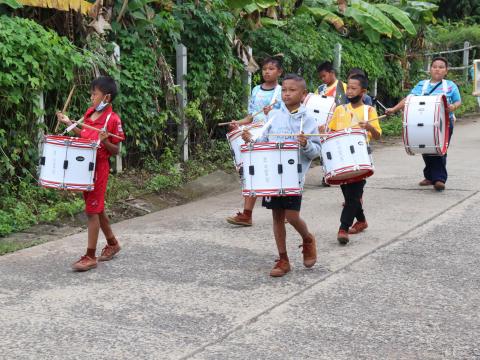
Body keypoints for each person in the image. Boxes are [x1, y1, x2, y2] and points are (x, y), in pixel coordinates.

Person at [242, 74, 321, 277]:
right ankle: (283, 259)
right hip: (273, 176)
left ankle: (307, 238)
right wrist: (251, 140)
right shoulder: (274, 116)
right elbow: (265, 143)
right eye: (284, 89)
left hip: (293, 176)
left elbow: (315, 152)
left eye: (292, 90)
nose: (286, 93)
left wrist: (305, 143)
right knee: (277, 216)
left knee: (291, 215)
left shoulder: (308, 119)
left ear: (303, 94)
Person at [56, 76, 125, 271]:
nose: (91, 97)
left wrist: (105, 141)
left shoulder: (113, 120)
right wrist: (68, 122)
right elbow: (83, 134)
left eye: (95, 94)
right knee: (97, 208)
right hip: (84, 167)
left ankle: (89, 256)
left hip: (99, 167)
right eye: (92, 94)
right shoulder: (90, 113)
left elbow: (116, 150)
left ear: (107, 98)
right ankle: (112, 244)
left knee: (91, 211)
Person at [386, 57, 461, 191]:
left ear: (446, 71)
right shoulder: (421, 85)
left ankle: (439, 179)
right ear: (430, 69)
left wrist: (453, 107)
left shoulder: (450, 85)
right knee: (425, 148)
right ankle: (430, 176)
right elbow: (408, 99)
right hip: (422, 122)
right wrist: (394, 109)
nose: (437, 69)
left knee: (439, 149)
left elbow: (457, 101)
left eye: (441, 67)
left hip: (444, 123)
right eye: (434, 66)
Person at [226, 56, 283, 226]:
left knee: (275, 173)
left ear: (279, 72)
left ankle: (284, 212)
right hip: (253, 136)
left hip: (272, 135)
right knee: (251, 172)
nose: (267, 72)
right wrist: (239, 123)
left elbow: (283, 115)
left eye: (271, 69)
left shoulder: (283, 91)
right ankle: (247, 214)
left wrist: (271, 112)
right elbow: (251, 117)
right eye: (265, 68)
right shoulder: (256, 90)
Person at [328, 74, 382, 245]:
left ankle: (343, 228)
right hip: (342, 158)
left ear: (363, 91)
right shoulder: (340, 110)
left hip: (361, 158)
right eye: (348, 88)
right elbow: (332, 132)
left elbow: (378, 136)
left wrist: (370, 127)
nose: (349, 91)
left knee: (352, 196)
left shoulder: (369, 111)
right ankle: (362, 221)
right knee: (349, 192)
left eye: (353, 88)